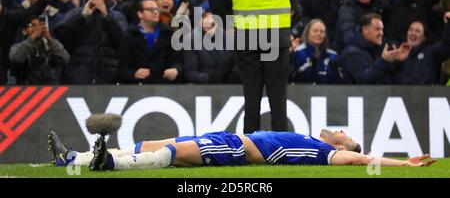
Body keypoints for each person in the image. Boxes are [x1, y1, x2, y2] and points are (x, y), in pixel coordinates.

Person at [209, 0, 305, 133]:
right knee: (277, 97)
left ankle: (250, 147)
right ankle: (280, 149)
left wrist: (227, 20)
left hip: (246, 33)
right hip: (276, 35)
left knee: (251, 95)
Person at [47, 129, 435, 171]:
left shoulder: (325, 153)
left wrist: (405, 163)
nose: (341, 131)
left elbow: (364, 159)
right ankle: (74, 159)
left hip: (237, 148)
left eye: (345, 134)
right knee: (151, 143)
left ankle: (108, 163)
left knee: (173, 154)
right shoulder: (315, 140)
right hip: (229, 138)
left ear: (340, 146)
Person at [340, 13, 412, 84]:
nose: (381, 33)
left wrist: (398, 61)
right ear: (365, 30)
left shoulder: (380, 49)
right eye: (377, 29)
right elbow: (364, 80)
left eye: (382, 29)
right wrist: (383, 61)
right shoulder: (351, 53)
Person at [290, 19, 342, 84]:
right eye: (315, 31)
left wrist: (335, 72)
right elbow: (292, 78)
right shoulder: (298, 52)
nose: (318, 34)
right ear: (307, 33)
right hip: (303, 92)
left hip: (327, 92)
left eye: (322, 31)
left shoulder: (333, 55)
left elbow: (339, 82)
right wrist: (309, 67)